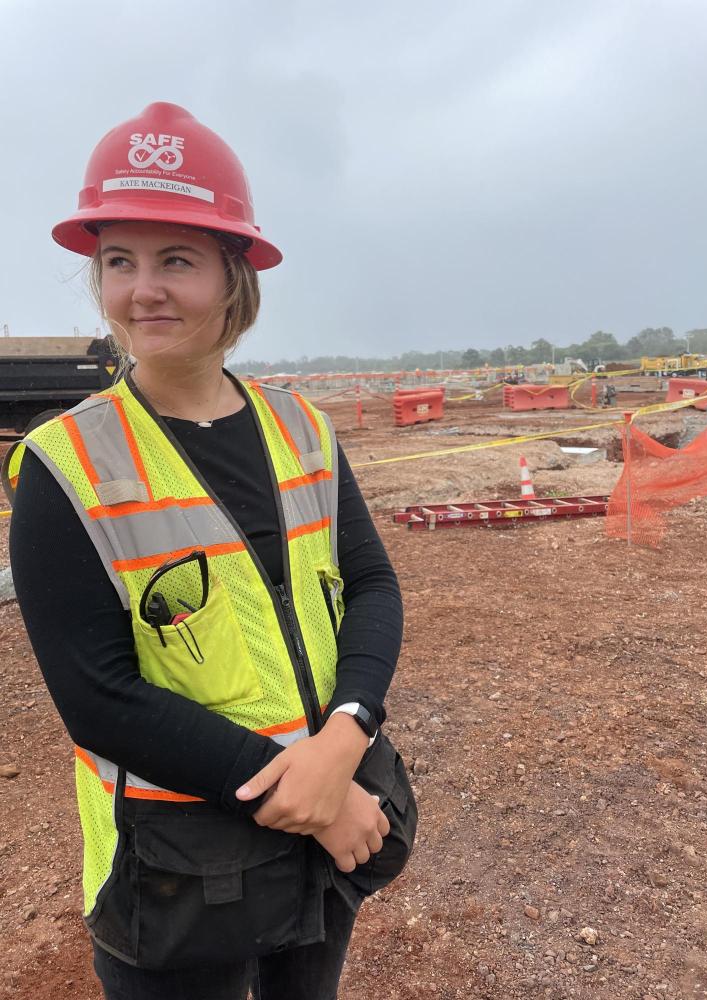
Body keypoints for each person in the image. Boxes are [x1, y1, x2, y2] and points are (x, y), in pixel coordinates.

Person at [5, 102, 414, 1000]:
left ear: (235, 277)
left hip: (319, 849)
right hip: (175, 872)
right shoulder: (62, 465)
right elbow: (99, 698)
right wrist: (315, 802)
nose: (141, 289)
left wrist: (346, 736)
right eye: (119, 261)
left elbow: (372, 585)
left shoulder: (301, 427)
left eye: (176, 260)